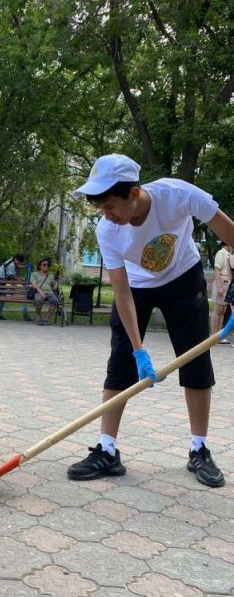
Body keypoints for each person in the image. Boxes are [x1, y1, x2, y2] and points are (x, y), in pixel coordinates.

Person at [67, 154, 234, 488]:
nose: (107, 216)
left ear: (134, 193)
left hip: (183, 277)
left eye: (111, 207)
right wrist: (139, 350)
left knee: (196, 362)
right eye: (101, 210)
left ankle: (199, 448)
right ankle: (107, 449)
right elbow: (122, 294)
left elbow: (231, 234)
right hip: (137, 286)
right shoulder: (108, 230)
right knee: (120, 364)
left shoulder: (179, 195)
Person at [210, 242, 233, 344]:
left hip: (227, 282)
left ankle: (219, 335)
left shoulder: (229, 254)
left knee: (223, 310)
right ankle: (214, 334)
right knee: (218, 310)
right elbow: (217, 270)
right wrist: (219, 287)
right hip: (222, 282)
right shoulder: (221, 253)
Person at [27, 258, 59, 325]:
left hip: (49, 293)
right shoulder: (34, 274)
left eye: (48, 265)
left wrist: (57, 281)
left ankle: (46, 319)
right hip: (38, 292)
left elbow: (54, 288)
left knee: (55, 301)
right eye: (44, 264)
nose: (46, 266)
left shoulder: (51, 276)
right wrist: (40, 291)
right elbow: (33, 284)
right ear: (39, 266)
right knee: (38, 300)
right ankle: (39, 317)